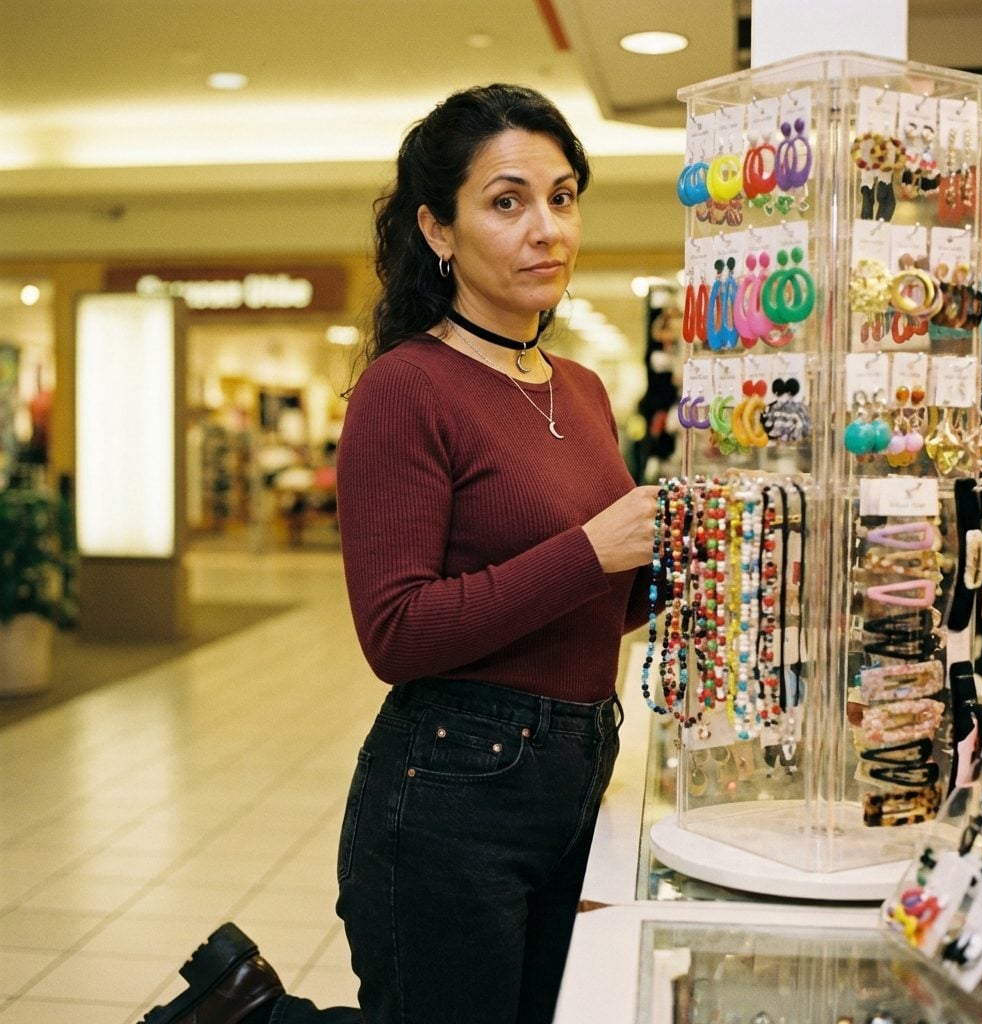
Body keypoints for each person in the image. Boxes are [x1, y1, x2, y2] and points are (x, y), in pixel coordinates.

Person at [139, 82, 659, 1024]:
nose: (546, 228)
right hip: (455, 790)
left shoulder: (579, 388)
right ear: (438, 229)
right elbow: (397, 631)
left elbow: (591, 606)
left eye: (562, 197)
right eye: (507, 202)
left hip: (578, 771)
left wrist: (685, 563)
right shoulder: (405, 388)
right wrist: (593, 548)